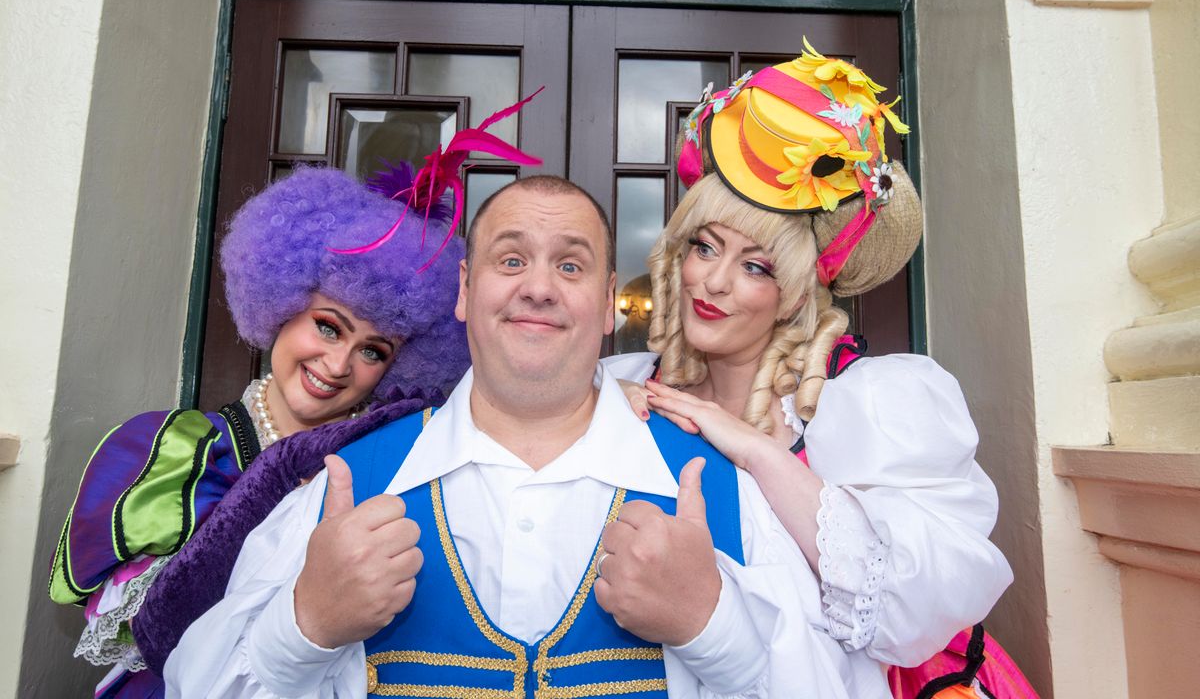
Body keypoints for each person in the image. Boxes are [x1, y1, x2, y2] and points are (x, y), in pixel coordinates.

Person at [164, 174, 892, 698]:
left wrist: (716, 629)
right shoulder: (343, 491)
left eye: (570, 265)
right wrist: (304, 626)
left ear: (610, 305)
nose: (538, 287)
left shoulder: (721, 496)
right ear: (463, 291)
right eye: (511, 260)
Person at [608, 43, 1015, 693]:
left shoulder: (867, 404)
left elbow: (907, 612)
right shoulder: (626, 378)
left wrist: (760, 454)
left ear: (797, 292)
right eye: (704, 247)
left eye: (755, 266)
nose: (711, 281)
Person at [48, 164, 470, 698]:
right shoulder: (173, 448)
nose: (337, 364)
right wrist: (275, 477)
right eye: (328, 325)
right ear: (284, 304)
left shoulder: (389, 463)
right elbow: (149, 634)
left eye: (372, 351)